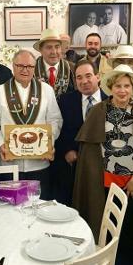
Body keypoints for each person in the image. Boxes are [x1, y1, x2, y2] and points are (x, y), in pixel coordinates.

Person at [73, 64, 133, 265]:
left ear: (132, 88)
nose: (122, 90)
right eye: (118, 86)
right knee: (102, 226)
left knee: (126, 228)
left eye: (126, 86)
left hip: (131, 183)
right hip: (103, 181)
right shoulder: (98, 111)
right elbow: (90, 149)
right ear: (110, 87)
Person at [0, 50, 63, 199]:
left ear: (34, 67)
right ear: (13, 66)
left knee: (38, 208)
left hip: (39, 164)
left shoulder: (47, 91)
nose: (25, 70)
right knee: (9, 208)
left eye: (29, 66)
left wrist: (48, 141)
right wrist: (1, 145)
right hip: (8, 164)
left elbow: (55, 120)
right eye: (20, 65)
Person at [54, 59, 107, 205]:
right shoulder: (65, 101)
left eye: (88, 76)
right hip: (72, 168)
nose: (84, 81)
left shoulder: (110, 101)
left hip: (102, 168)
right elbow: (58, 130)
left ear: (98, 76)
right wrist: (67, 150)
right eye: (79, 77)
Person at [33, 28, 75, 99]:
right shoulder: (31, 68)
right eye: (49, 47)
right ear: (41, 49)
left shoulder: (72, 68)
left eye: (57, 47)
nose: (54, 52)